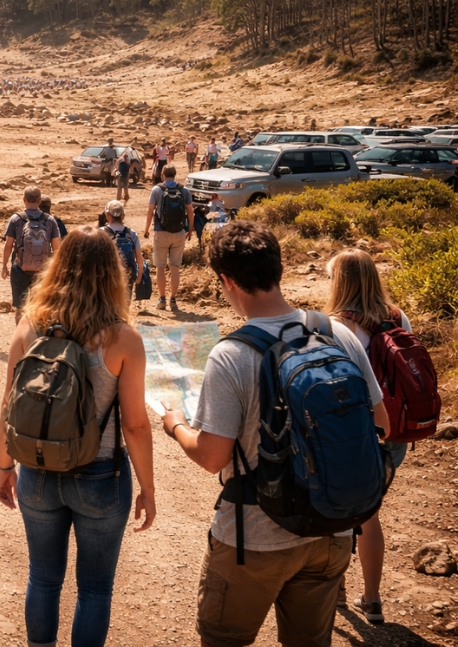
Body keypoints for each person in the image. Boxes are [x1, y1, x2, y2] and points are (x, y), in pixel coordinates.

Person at [160, 221, 389, 647]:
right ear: (278, 266)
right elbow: (382, 425)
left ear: (227, 281)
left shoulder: (230, 354)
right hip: (333, 528)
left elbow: (212, 457)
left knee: (223, 639)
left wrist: (175, 424)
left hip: (254, 537)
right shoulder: (335, 332)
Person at [0, 226, 156, 647]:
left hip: (38, 471)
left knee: (43, 578)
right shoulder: (123, 338)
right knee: (95, 588)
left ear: (58, 266)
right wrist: (148, 488)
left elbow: (8, 406)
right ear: (112, 275)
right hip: (101, 475)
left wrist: (4, 467)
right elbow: (136, 425)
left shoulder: (30, 327)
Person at [325, 248, 412, 624]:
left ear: (340, 282)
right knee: (370, 513)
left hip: (355, 435)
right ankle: (373, 600)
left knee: (341, 517)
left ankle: (337, 591)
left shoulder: (334, 326)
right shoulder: (397, 316)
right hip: (394, 435)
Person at [1, 186, 64, 323]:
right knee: (41, 306)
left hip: (20, 268)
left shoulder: (16, 219)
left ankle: (21, 338)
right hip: (42, 271)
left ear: (24, 200)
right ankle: (37, 337)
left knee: (20, 308)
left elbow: (8, 245)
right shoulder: (50, 220)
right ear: (39, 200)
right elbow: (57, 248)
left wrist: (4, 266)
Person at [143, 165, 195, 311]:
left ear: (163, 175)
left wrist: (146, 230)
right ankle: (173, 300)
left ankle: (162, 300)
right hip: (179, 233)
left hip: (161, 232)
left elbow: (149, 212)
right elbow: (190, 213)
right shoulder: (184, 190)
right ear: (175, 174)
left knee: (160, 267)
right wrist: (189, 230)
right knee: (175, 267)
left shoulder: (157, 189)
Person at [101, 200, 142, 301]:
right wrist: (139, 274)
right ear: (123, 216)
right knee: (125, 304)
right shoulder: (131, 233)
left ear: (107, 215)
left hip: (107, 275)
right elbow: (139, 258)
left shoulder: (101, 233)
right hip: (127, 273)